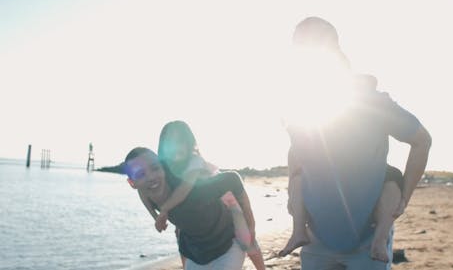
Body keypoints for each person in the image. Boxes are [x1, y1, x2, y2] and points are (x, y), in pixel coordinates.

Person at [284, 16, 432, 270]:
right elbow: (296, 150)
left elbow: (422, 141)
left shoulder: (369, 101)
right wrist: (292, 187)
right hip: (315, 234)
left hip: (368, 236)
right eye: (300, 44)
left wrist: (403, 200)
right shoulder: (299, 102)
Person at [280, 74, 405, 263]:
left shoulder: (374, 110)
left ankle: (379, 239)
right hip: (330, 173)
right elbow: (296, 148)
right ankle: (298, 231)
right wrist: (292, 189)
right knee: (299, 176)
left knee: (393, 176)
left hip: (368, 171)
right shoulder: (331, 111)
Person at [154, 121, 265, 270]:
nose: (175, 146)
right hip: (196, 221)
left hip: (227, 204)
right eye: (169, 142)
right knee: (181, 234)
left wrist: (251, 226)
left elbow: (186, 188)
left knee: (246, 238)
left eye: (179, 141)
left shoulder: (195, 163)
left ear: (189, 144)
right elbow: (143, 189)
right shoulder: (162, 172)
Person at [124, 147, 253, 269]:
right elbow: (143, 196)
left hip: (228, 243)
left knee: (252, 248)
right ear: (132, 183)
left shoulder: (192, 190)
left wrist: (251, 225)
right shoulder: (146, 192)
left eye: (155, 168)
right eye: (141, 174)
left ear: (163, 168)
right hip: (197, 253)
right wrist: (156, 217)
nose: (151, 177)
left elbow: (232, 179)